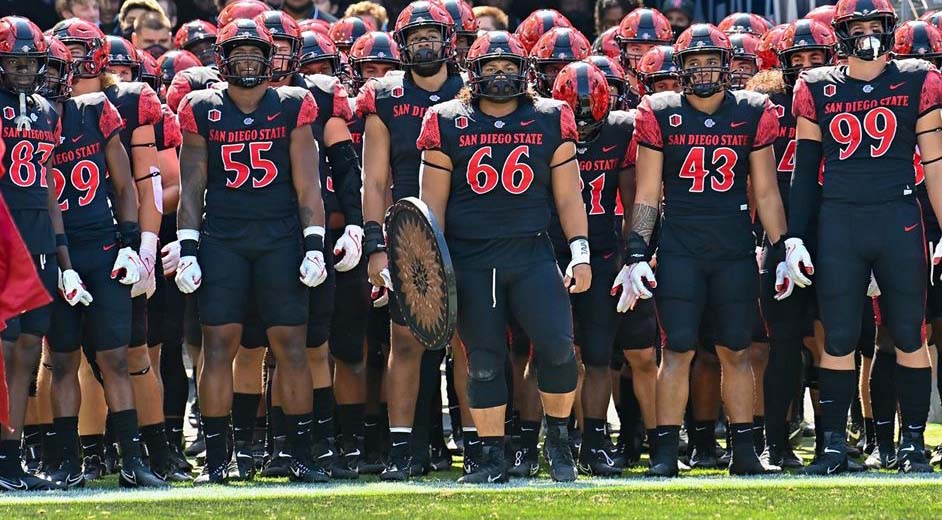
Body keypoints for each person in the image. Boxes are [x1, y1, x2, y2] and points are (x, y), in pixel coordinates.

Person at [617, 23, 786, 477]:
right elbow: (648, 194)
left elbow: (766, 191)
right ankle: (667, 454)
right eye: (694, 64)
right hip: (681, 246)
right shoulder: (660, 109)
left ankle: (745, 452)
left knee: (737, 350)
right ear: (681, 70)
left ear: (728, 66)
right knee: (678, 351)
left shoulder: (752, 110)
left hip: (732, 245)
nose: (704, 71)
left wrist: (783, 245)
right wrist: (636, 250)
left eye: (712, 61)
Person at [784, 0, 942, 475]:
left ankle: (913, 444)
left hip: (899, 215)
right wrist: (794, 237)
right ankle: (832, 444)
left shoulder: (918, 77)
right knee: (838, 338)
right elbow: (806, 170)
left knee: (910, 332)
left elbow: (934, 163)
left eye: (877, 27)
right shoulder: (816, 85)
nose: (869, 35)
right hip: (840, 220)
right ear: (842, 33)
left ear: (890, 30)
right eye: (860, 27)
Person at [174, 17, 329, 484]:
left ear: (269, 60)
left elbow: (309, 186)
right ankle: (218, 461)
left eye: (254, 54)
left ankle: (300, 456)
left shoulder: (292, 104)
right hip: (224, 238)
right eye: (237, 53)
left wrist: (314, 244)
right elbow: (192, 186)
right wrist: (187, 248)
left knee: (292, 348)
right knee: (218, 346)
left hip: (280, 236)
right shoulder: (201, 107)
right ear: (222, 59)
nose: (246, 61)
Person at [46, 17, 166, 489]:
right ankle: (65, 461)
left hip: (101, 244)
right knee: (60, 360)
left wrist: (133, 244)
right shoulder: (29, 116)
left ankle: (133, 462)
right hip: (57, 253)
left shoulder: (100, 108)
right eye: (61, 58)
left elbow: (124, 184)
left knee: (116, 357)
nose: (68, 67)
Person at [358, 0, 465, 481]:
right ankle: (402, 448)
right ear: (401, 45)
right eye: (415, 36)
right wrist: (376, 243)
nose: (424, 44)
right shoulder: (384, 95)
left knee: (467, 341)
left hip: (468, 228)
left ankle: (480, 444)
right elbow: (374, 181)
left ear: (450, 40)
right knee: (404, 342)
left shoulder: (470, 88)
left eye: (432, 35)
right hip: (408, 235)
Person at [549, 61, 649, 477]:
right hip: (550, 251)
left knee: (597, 356)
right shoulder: (544, 123)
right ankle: (550, 438)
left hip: (604, 252)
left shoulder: (621, 129)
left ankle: (593, 438)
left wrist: (633, 255)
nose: (587, 127)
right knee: (555, 354)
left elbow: (630, 200)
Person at [746, 17, 836, 470]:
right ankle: (775, 442)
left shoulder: (839, 100)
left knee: (832, 341)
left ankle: (832, 440)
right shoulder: (764, 105)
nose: (803, 68)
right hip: (779, 234)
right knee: (781, 342)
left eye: (813, 59)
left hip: (835, 231)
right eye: (795, 60)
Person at [0, 16, 66, 492]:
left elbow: (46, 186)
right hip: (3, 237)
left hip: (38, 238)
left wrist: (61, 253)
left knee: (26, 351)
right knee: (2, 352)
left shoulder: (47, 110)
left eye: (30, 61)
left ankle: (10, 457)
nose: (23, 69)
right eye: (14, 60)